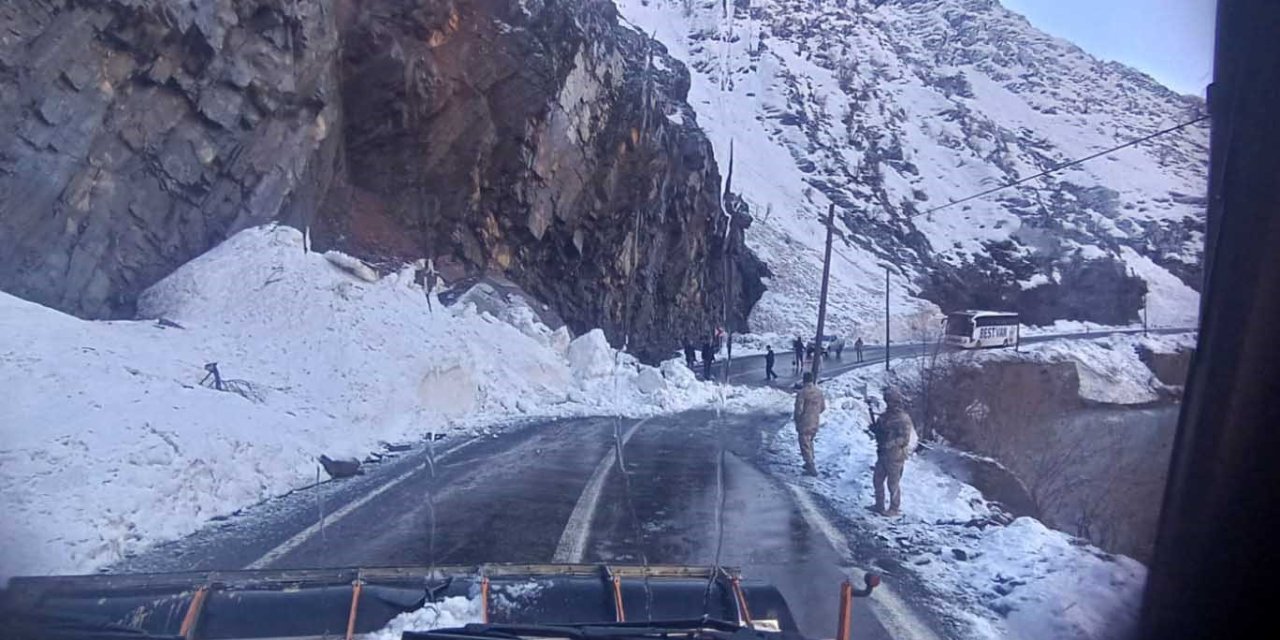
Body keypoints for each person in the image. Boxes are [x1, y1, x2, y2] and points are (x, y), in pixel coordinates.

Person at [870, 386, 914, 516]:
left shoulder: (903, 419)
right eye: (887, 401)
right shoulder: (885, 417)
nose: (889, 404)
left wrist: (890, 443)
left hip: (895, 456)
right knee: (877, 480)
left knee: (893, 484)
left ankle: (894, 508)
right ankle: (879, 505)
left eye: (891, 401)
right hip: (883, 454)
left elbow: (905, 439)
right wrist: (875, 430)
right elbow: (880, 429)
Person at [793, 372, 826, 476]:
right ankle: (810, 461)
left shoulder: (802, 393)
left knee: (804, 443)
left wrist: (797, 419)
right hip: (815, 421)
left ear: (804, 380)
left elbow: (799, 409)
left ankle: (810, 465)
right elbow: (823, 407)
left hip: (805, 421)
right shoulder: (819, 392)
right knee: (810, 441)